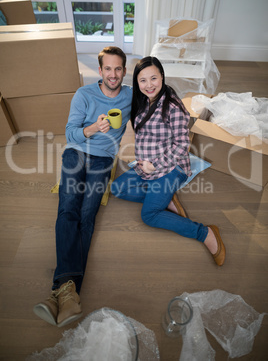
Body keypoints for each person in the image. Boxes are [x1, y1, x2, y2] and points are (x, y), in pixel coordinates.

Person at [33, 46, 132, 327]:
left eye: (118, 69)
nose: (113, 75)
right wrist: (92, 129)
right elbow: (70, 132)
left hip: (103, 159)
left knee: (88, 215)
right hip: (76, 151)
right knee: (68, 209)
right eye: (108, 69)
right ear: (99, 71)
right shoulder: (84, 95)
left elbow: (153, 99)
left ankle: (60, 294)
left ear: (124, 71)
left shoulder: (129, 96)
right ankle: (68, 293)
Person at [111, 56, 226, 267]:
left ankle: (205, 233)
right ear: (137, 83)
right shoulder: (142, 101)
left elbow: (182, 146)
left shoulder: (172, 106)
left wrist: (156, 165)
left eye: (153, 78)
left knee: (149, 215)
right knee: (117, 188)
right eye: (142, 80)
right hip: (146, 165)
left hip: (171, 167)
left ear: (162, 76)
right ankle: (166, 199)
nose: (149, 85)